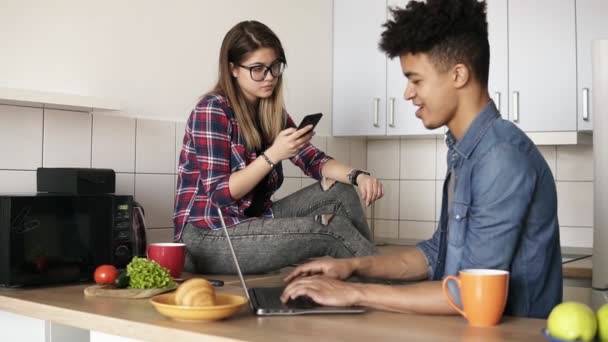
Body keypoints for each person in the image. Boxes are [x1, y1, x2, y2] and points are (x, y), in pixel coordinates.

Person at [281, 0, 562, 318]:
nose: (407, 93)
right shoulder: (466, 151)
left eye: (416, 80)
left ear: (458, 75)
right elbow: (434, 254)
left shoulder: (500, 159)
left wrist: (354, 293)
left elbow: (470, 295)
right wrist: (350, 266)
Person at [173, 20, 384, 275]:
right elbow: (220, 194)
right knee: (330, 230)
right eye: (258, 69)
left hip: (252, 220)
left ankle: (372, 274)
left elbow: (312, 160)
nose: (270, 76)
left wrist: (358, 176)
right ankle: (384, 278)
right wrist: (273, 154)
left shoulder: (271, 112)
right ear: (233, 69)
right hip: (207, 236)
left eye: (275, 66)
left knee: (340, 191)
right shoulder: (212, 109)